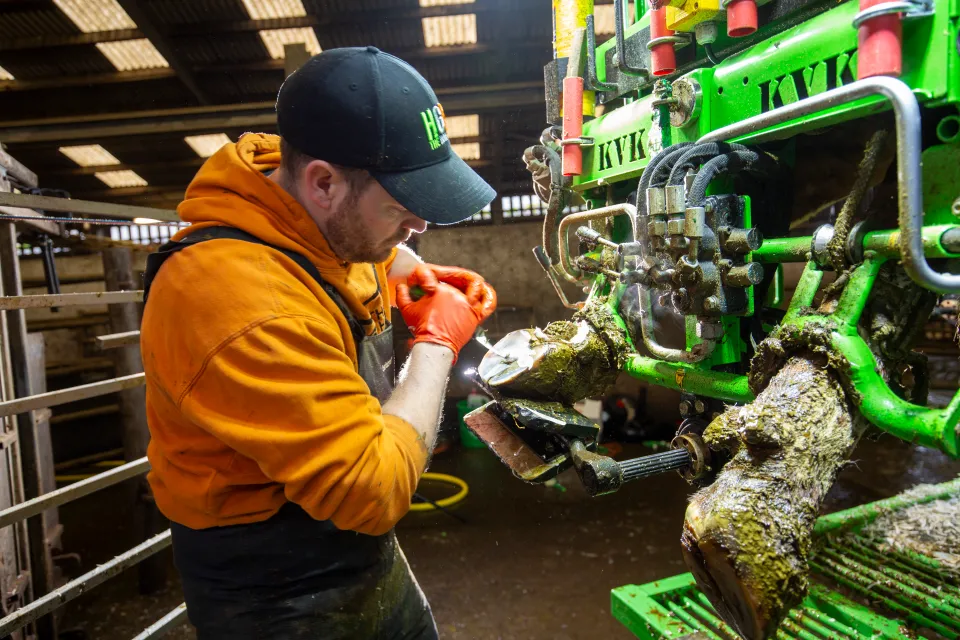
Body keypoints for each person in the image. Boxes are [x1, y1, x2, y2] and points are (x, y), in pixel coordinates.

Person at [139, 47, 498, 639]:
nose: (419, 227)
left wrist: (408, 271)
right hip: (275, 590)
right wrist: (437, 341)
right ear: (324, 182)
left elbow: (334, 255)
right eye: (401, 208)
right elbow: (374, 490)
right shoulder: (238, 302)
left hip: (357, 556)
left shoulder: (301, 208)